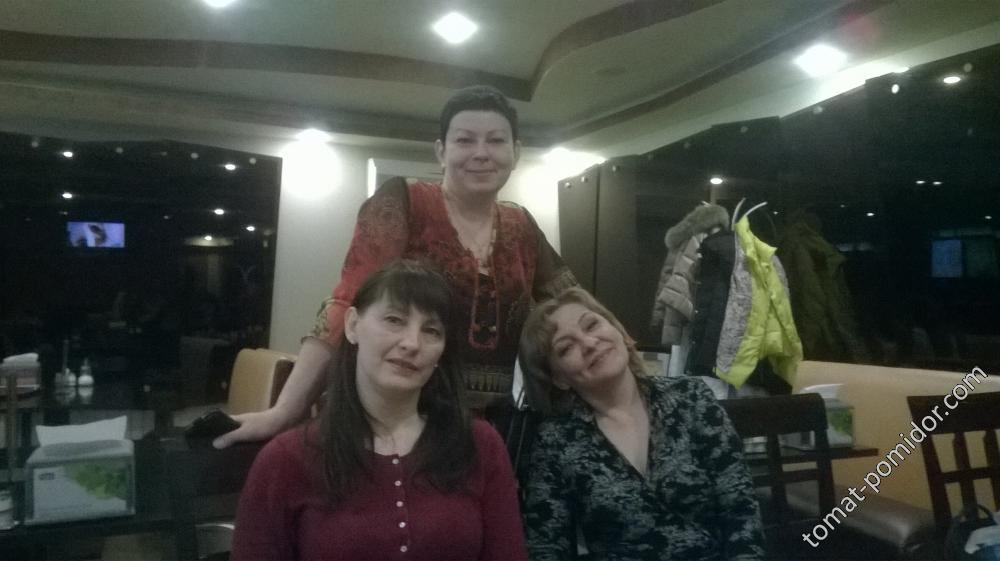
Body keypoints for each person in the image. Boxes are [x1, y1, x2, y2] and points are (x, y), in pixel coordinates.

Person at [215, 84, 576, 448]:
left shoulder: (521, 224)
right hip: (394, 416)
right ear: (441, 151)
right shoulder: (405, 201)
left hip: (497, 427)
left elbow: (570, 306)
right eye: (465, 140)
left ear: (515, 152)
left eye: (496, 141)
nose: (481, 153)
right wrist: (284, 412)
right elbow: (348, 303)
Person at [231, 260, 527, 561]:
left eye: (431, 331)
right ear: (352, 326)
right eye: (394, 320)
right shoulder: (286, 460)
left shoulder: (479, 445)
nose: (412, 343)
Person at [519, 286, 764, 561]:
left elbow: (741, 511)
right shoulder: (556, 441)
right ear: (559, 378)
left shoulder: (691, 397)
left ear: (617, 330)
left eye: (592, 325)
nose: (588, 343)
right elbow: (546, 548)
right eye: (566, 348)